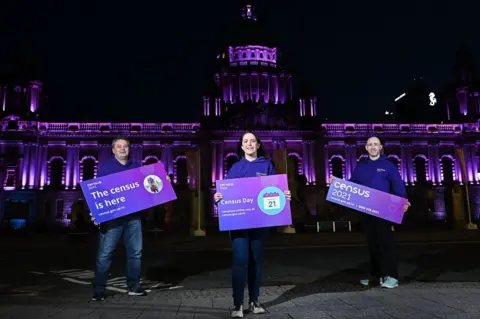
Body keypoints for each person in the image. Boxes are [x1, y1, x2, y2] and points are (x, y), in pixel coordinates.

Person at [214, 132, 292, 318]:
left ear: (258, 145)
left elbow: (276, 190)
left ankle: (254, 301)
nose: (249, 144)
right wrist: (218, 198)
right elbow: (225, 192)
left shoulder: (267, 165)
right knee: (240, 261)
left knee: (256, 262)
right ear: (241, 146)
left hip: (259, 223)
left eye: (252, 141)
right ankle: (237, 304)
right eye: (245, 141)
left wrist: (284, 195)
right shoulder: (235, 167)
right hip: (239, 224)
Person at [90, 137, 170, 301]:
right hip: (113, 218)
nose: (122, 149)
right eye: (119, 147)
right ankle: (99, 291)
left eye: (125, 146)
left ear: (129, 149)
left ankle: (134, 286)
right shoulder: (106, 168)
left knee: (135, 253)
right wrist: (96, 213)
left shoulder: (137, 167)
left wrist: (165, 182)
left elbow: (149, 187)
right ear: (113, 150)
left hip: (133, 217)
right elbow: (98, 192)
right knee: (105, 254)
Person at [331, 136, 410, 289]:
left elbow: (398, 185)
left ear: (381, 147)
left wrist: (403, 201)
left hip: (384, 209)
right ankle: (376, 276)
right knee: (372, 244)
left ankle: (392, 276)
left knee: (385, 243)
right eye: (370, 144)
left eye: (376, 144)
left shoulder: (389, 166)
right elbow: (352, 186)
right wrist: (337, 183)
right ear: (366, 148)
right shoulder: (361, 167)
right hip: (366, 209)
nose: (373, 147)